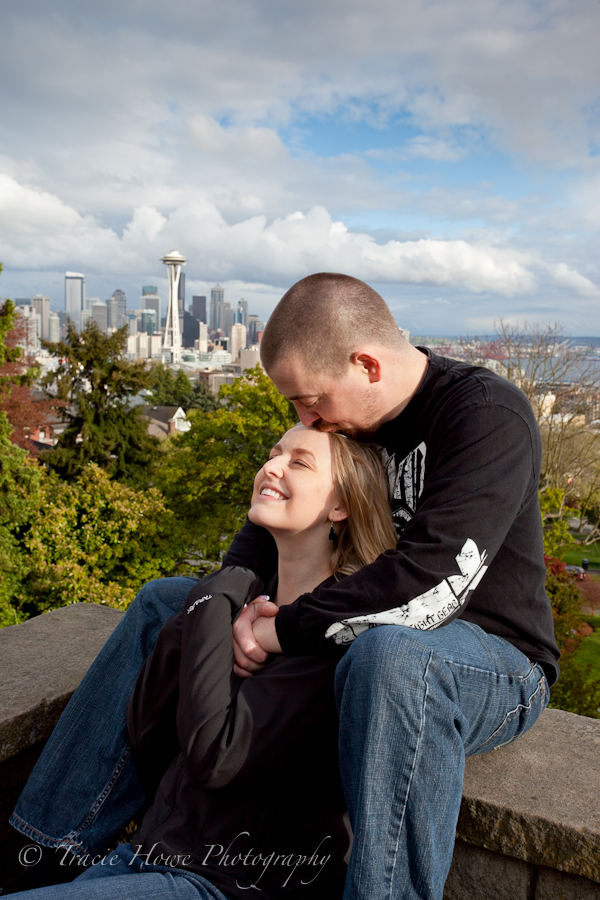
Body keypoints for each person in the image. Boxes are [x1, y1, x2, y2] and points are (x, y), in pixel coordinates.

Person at [11, 273, 559, 900]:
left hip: (488, 656)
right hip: (372, 625)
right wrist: (232, 604)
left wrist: (276, 629)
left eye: (310, 402)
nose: (305, 419)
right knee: (170, 600)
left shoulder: (484, 414)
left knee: (394, 658)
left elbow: (430, 584)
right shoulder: (352, 416)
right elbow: (256, 540)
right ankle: (51, 848)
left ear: (367, 365)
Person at [11, 424, 397, 899]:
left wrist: (214, 595)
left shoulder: (336, 635)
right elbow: (149, 735)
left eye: (299, 462)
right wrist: (205, 616)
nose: (270, 467)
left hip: (226, 884)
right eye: (273, 453)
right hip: (142, 859)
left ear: (340, 507)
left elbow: (216, 757)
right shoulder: (246, 603)